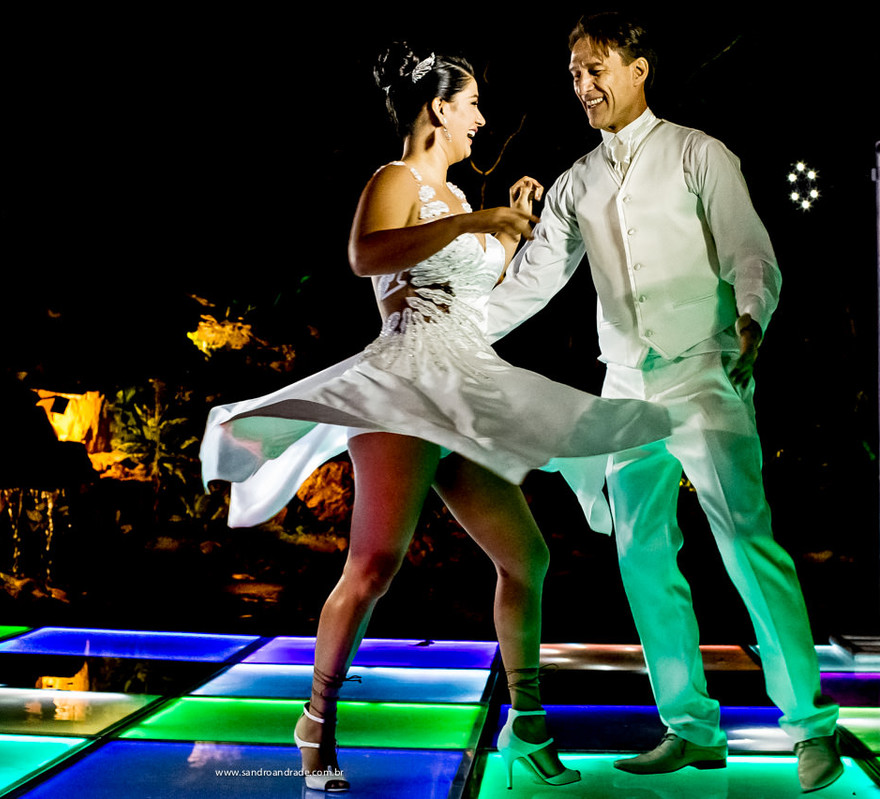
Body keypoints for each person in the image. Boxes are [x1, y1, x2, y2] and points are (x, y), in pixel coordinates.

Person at [200, 44, 670, 792]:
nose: (481, 119)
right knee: (375, 564)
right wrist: (476, 221)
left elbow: (474, 299)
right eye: (473, 104)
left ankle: (528, 723)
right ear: (440, 108)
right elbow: (366, 255)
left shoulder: (454, 199)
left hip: (463, 387)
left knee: (527, 558)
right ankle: (315, 719)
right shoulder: (395, 181)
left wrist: (509, 227)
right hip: (403, 385)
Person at [483, 12, 843, 793]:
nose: (583, 84)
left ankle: (810, 727)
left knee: (747, 541)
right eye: (574, 73)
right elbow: (533, 281)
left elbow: (750, 249)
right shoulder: (577, 181)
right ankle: (690, 725)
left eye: (596, 67)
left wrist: (751, 316)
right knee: (641, 550)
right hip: (625, 385)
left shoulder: (698, 153)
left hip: (705, 370)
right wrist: (450, 332)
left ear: (638, 68)